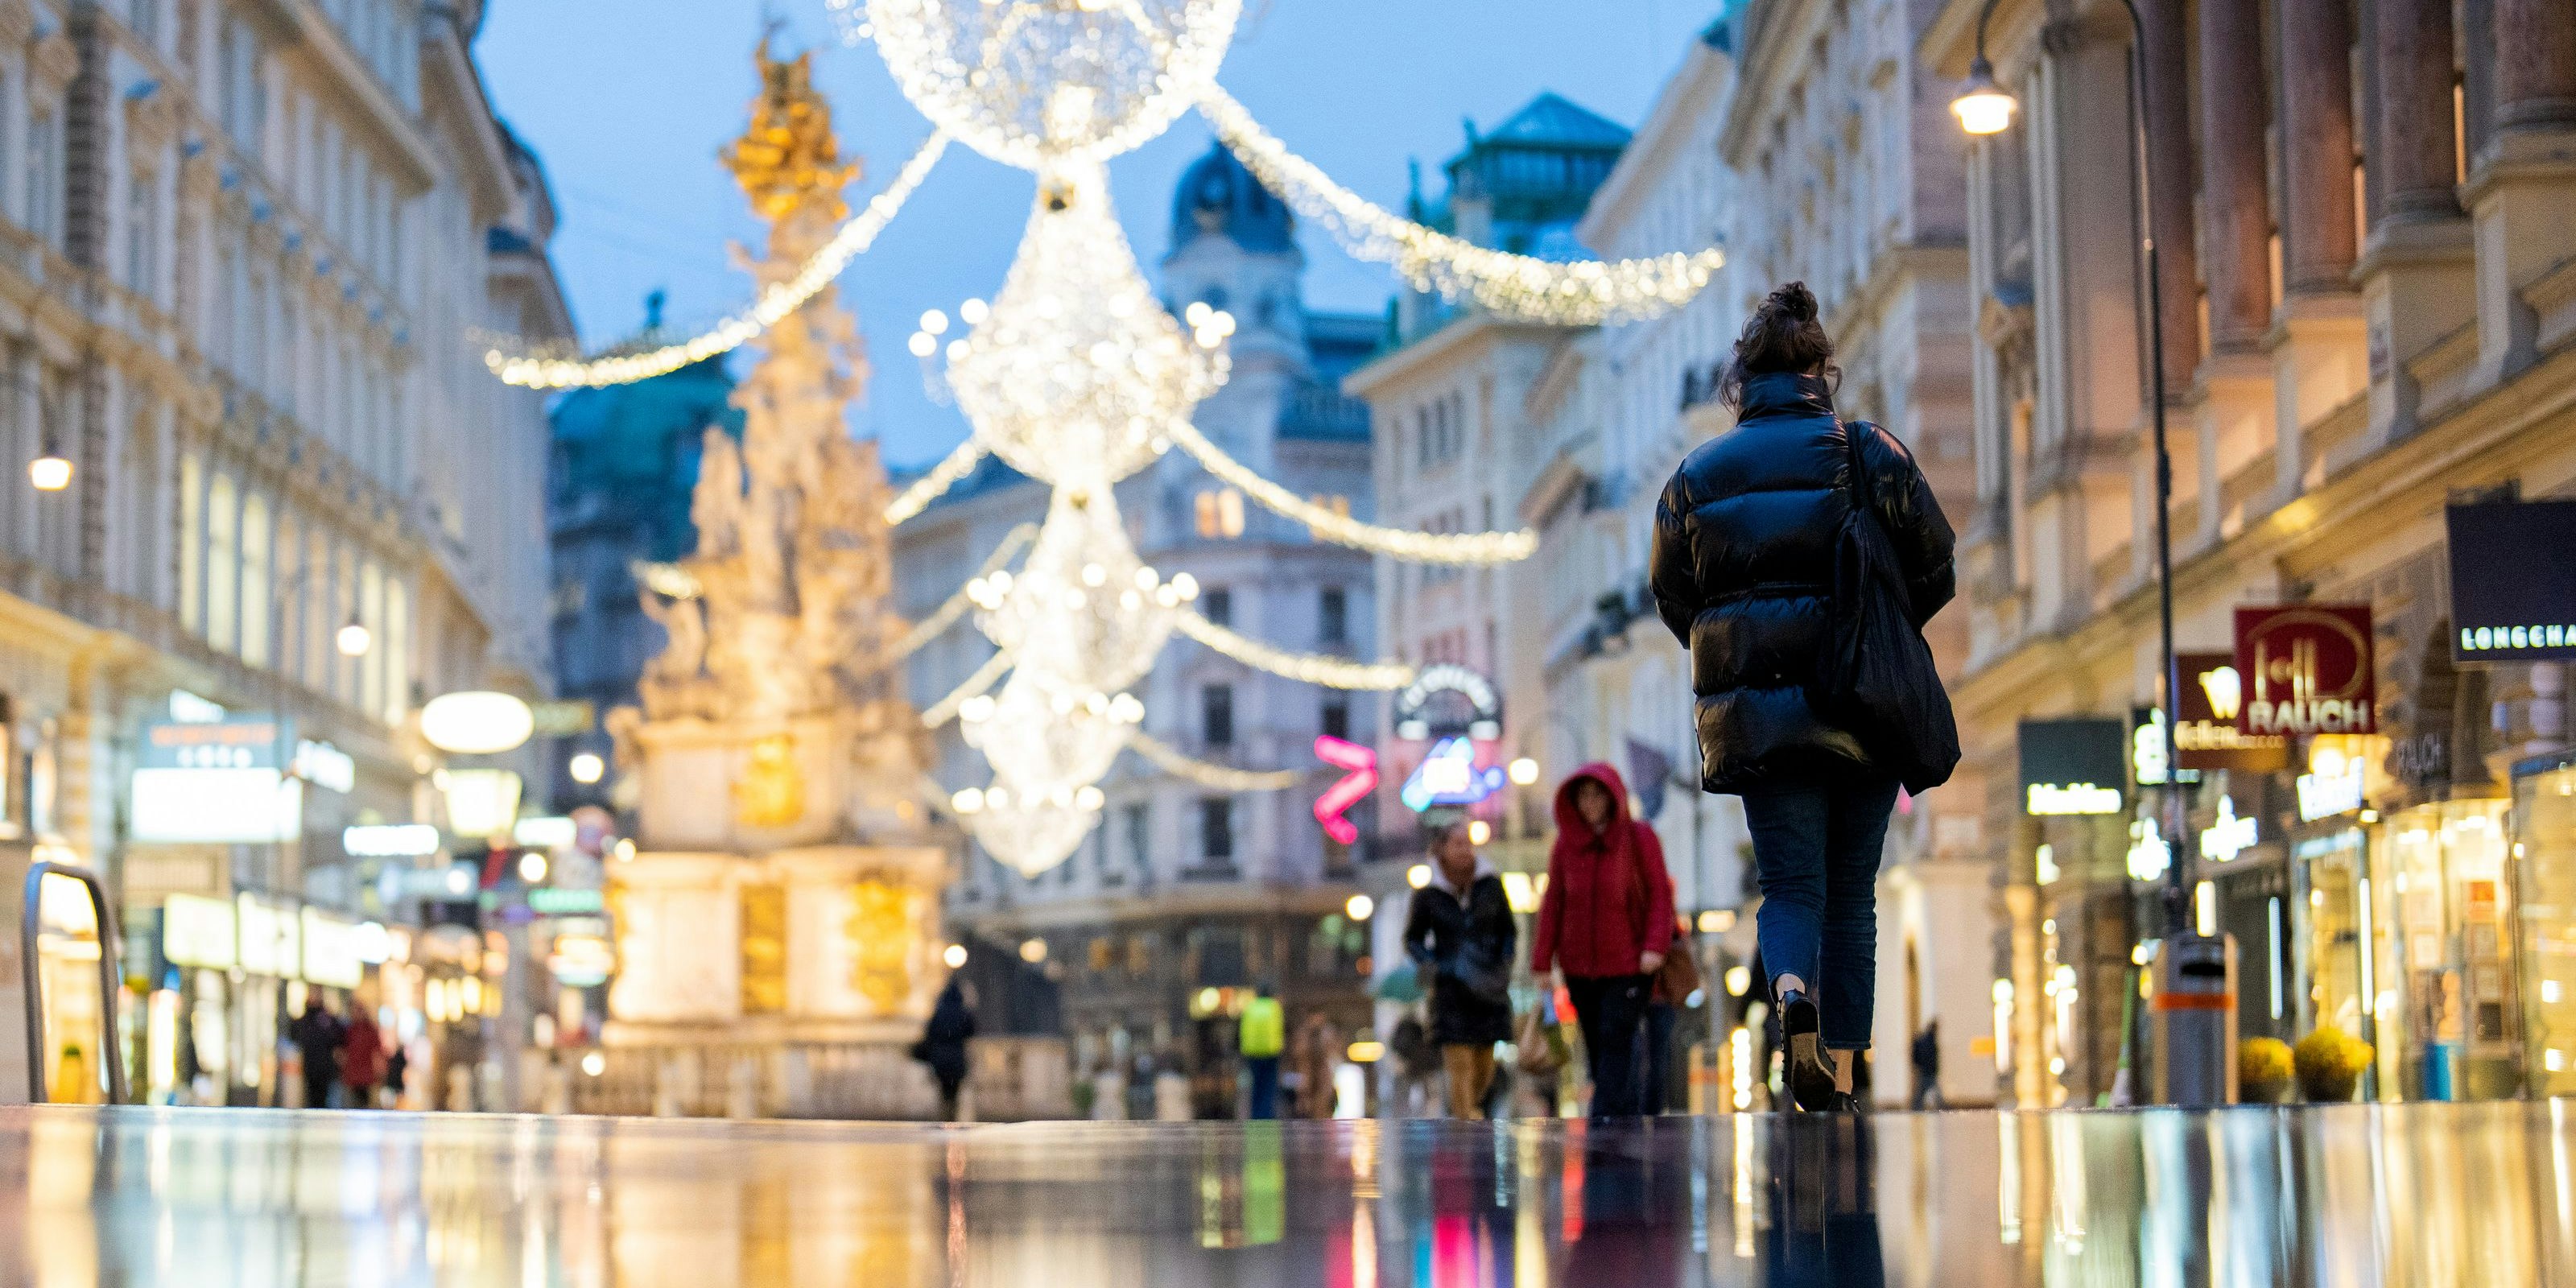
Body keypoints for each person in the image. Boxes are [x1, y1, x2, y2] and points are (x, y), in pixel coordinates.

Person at [1648, 281, 1957, 1112]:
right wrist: (1880, 630)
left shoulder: (1694, 478)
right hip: (1863, 704)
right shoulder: (1868, 450)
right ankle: (1844, 1073)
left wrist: (1741, 652)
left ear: (1738, 384)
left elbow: (1672, 597)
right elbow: (1936, 559)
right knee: (1852, 894)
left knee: (1790, 886)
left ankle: (1789, 992)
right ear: (1822, 368)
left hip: (1759, 720)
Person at [1533, 763, 1677, 1118]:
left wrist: (1655, 947)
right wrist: (1541, 961)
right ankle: (1621, 1121)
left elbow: (1660, 893)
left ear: (1613, 797)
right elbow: (1553, 903)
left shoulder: (1639, 838)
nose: (1590, 802)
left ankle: (1602, 1121)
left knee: (1617, 1038)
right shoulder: (1566, 846)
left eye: (1597, 794)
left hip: (1629, 966)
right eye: (1583, 795)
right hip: (1578, 969)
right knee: (1598, 1047)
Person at [1402, 819, 1517, 1121]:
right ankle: (1465, 1127)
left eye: (1468, 843)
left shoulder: (1491, 885)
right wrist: (1434, 965)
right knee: (1459, 1067)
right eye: (1457, 844)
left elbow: (1509, 930)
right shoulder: (1428, 895)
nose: (1464, 850)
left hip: (1488, 987)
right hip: (1451, 991)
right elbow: (1412, 939)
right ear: (1441, 850)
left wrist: (1504, 961)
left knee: (1484, 1069)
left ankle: (1471, 1111)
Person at [914, 977, 977, 1121]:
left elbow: (930, 1033)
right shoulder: (962, 1013)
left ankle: (945, 1115)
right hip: (956, 1058)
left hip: (940, 1058)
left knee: (944, 1090)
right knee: (954, 1091)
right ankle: (952, 1116)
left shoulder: (939, 1013)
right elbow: (971, 1031)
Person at [1239, 983, 1286, 1120]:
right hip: (1271, 1053)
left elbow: (1243, 1031)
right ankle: (1267, 1116)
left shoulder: (1250, 1007)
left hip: (1252, 1053)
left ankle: (1256, 1116)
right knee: (1269, 1087)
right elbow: (1279, 1030)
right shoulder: (1274, 1007)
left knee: (1256, 1086)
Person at [290, 997, 345, 1111]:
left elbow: (337, 1038)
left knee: (322, 1100)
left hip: (323, 1068)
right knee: (314, 1099)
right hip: (312, 1067)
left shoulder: (326, 1020)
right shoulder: (308, 1021)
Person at [341, 1004, 387, 1109]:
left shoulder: (370, 1030)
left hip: (367, 1076)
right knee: (353, 1106)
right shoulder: (350, 1031)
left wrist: (379, 1071)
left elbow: (377, 1052)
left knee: (367, 1106)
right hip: (353, 1076)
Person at [1910, 1021, 1943, 1111]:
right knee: (1930, 1090)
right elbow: (1931, 1057)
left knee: (1922, 1091)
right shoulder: (1930, 1041)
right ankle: (1943, 1106)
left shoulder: (1924, 1039)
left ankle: (1916, 1108)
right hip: (1929, 1071)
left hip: (1925, 1070)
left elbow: (1917, 1057)